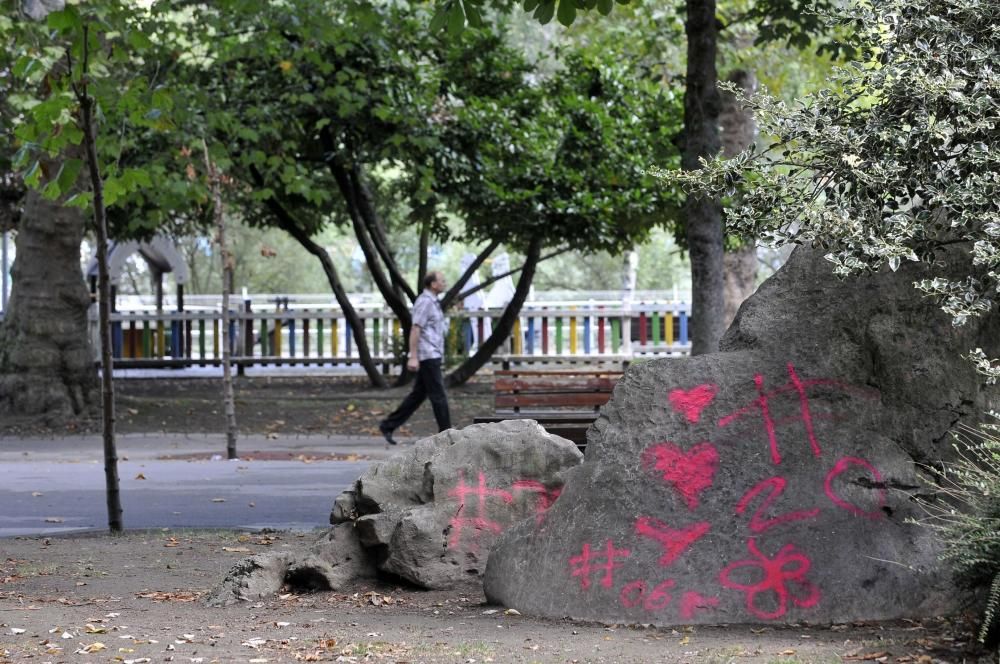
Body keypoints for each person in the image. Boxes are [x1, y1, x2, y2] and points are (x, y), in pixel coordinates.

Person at [379, 271, 451, 445]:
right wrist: (413, 356)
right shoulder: (425, 302)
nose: (445, 283)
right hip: (427, 355)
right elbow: (415, 329)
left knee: (418, 395)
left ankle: (388, 425)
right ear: (433, 284)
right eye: (442, 281)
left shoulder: (433, 302)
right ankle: (448, 435)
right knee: (438, 396)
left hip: (433, 353)